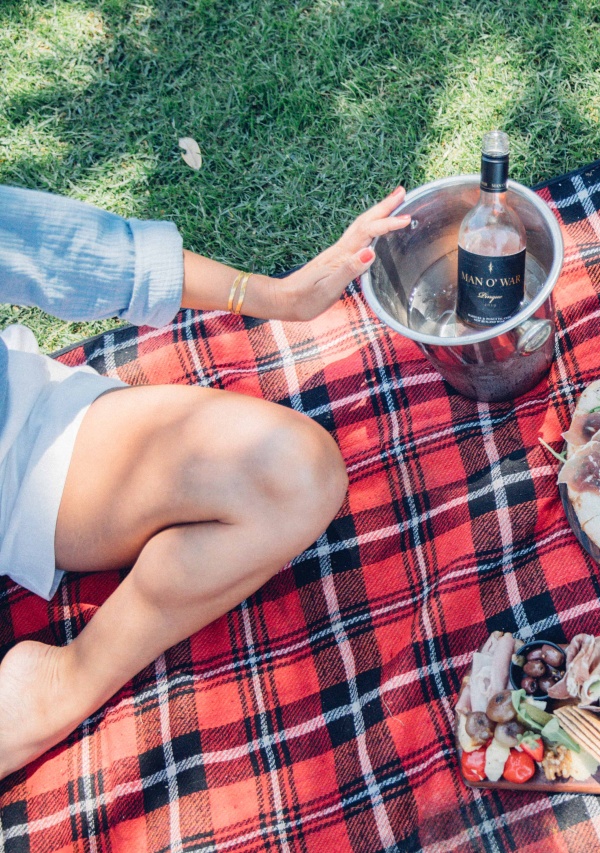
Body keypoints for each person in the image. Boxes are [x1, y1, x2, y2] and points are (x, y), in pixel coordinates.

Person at [0, 184, 410, 779]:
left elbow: (62, 248)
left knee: (288, 471)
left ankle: (65, 685)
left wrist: (278, 295)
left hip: (21, 451)